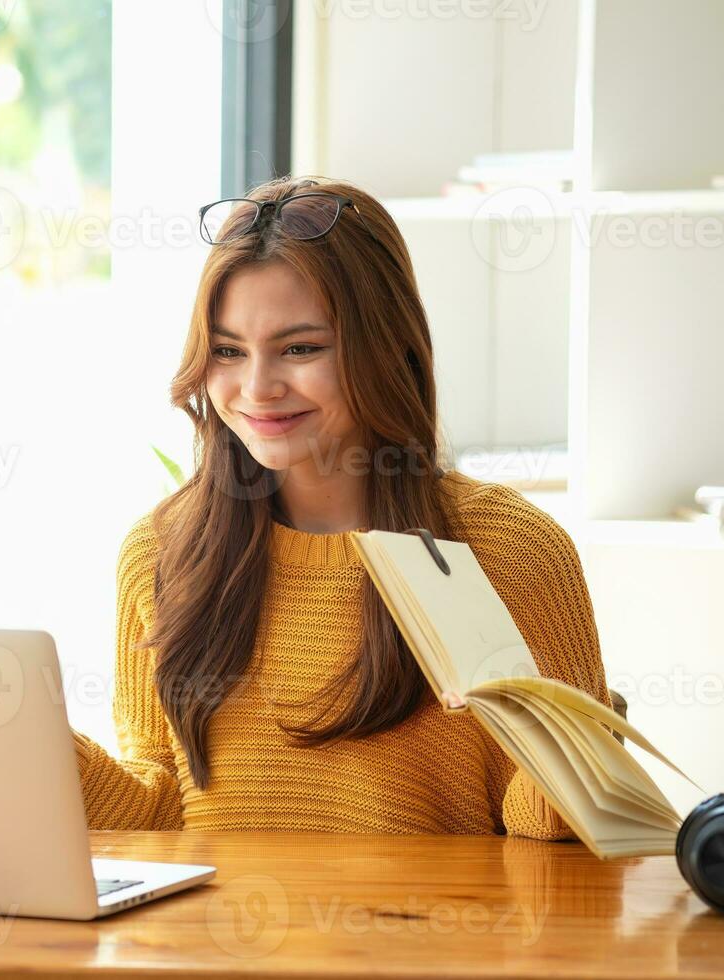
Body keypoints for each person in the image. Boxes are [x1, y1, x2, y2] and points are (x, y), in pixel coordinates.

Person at [71, 175, 611, 837]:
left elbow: (554, 842)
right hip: (216, 940)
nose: (257, 388)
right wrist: (32, 751)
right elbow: (159, 813)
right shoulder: (159, 553)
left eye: (301, 348)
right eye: (227, 352)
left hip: (433, 937)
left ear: (389, 345)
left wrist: (572, 738)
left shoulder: (509, 551)